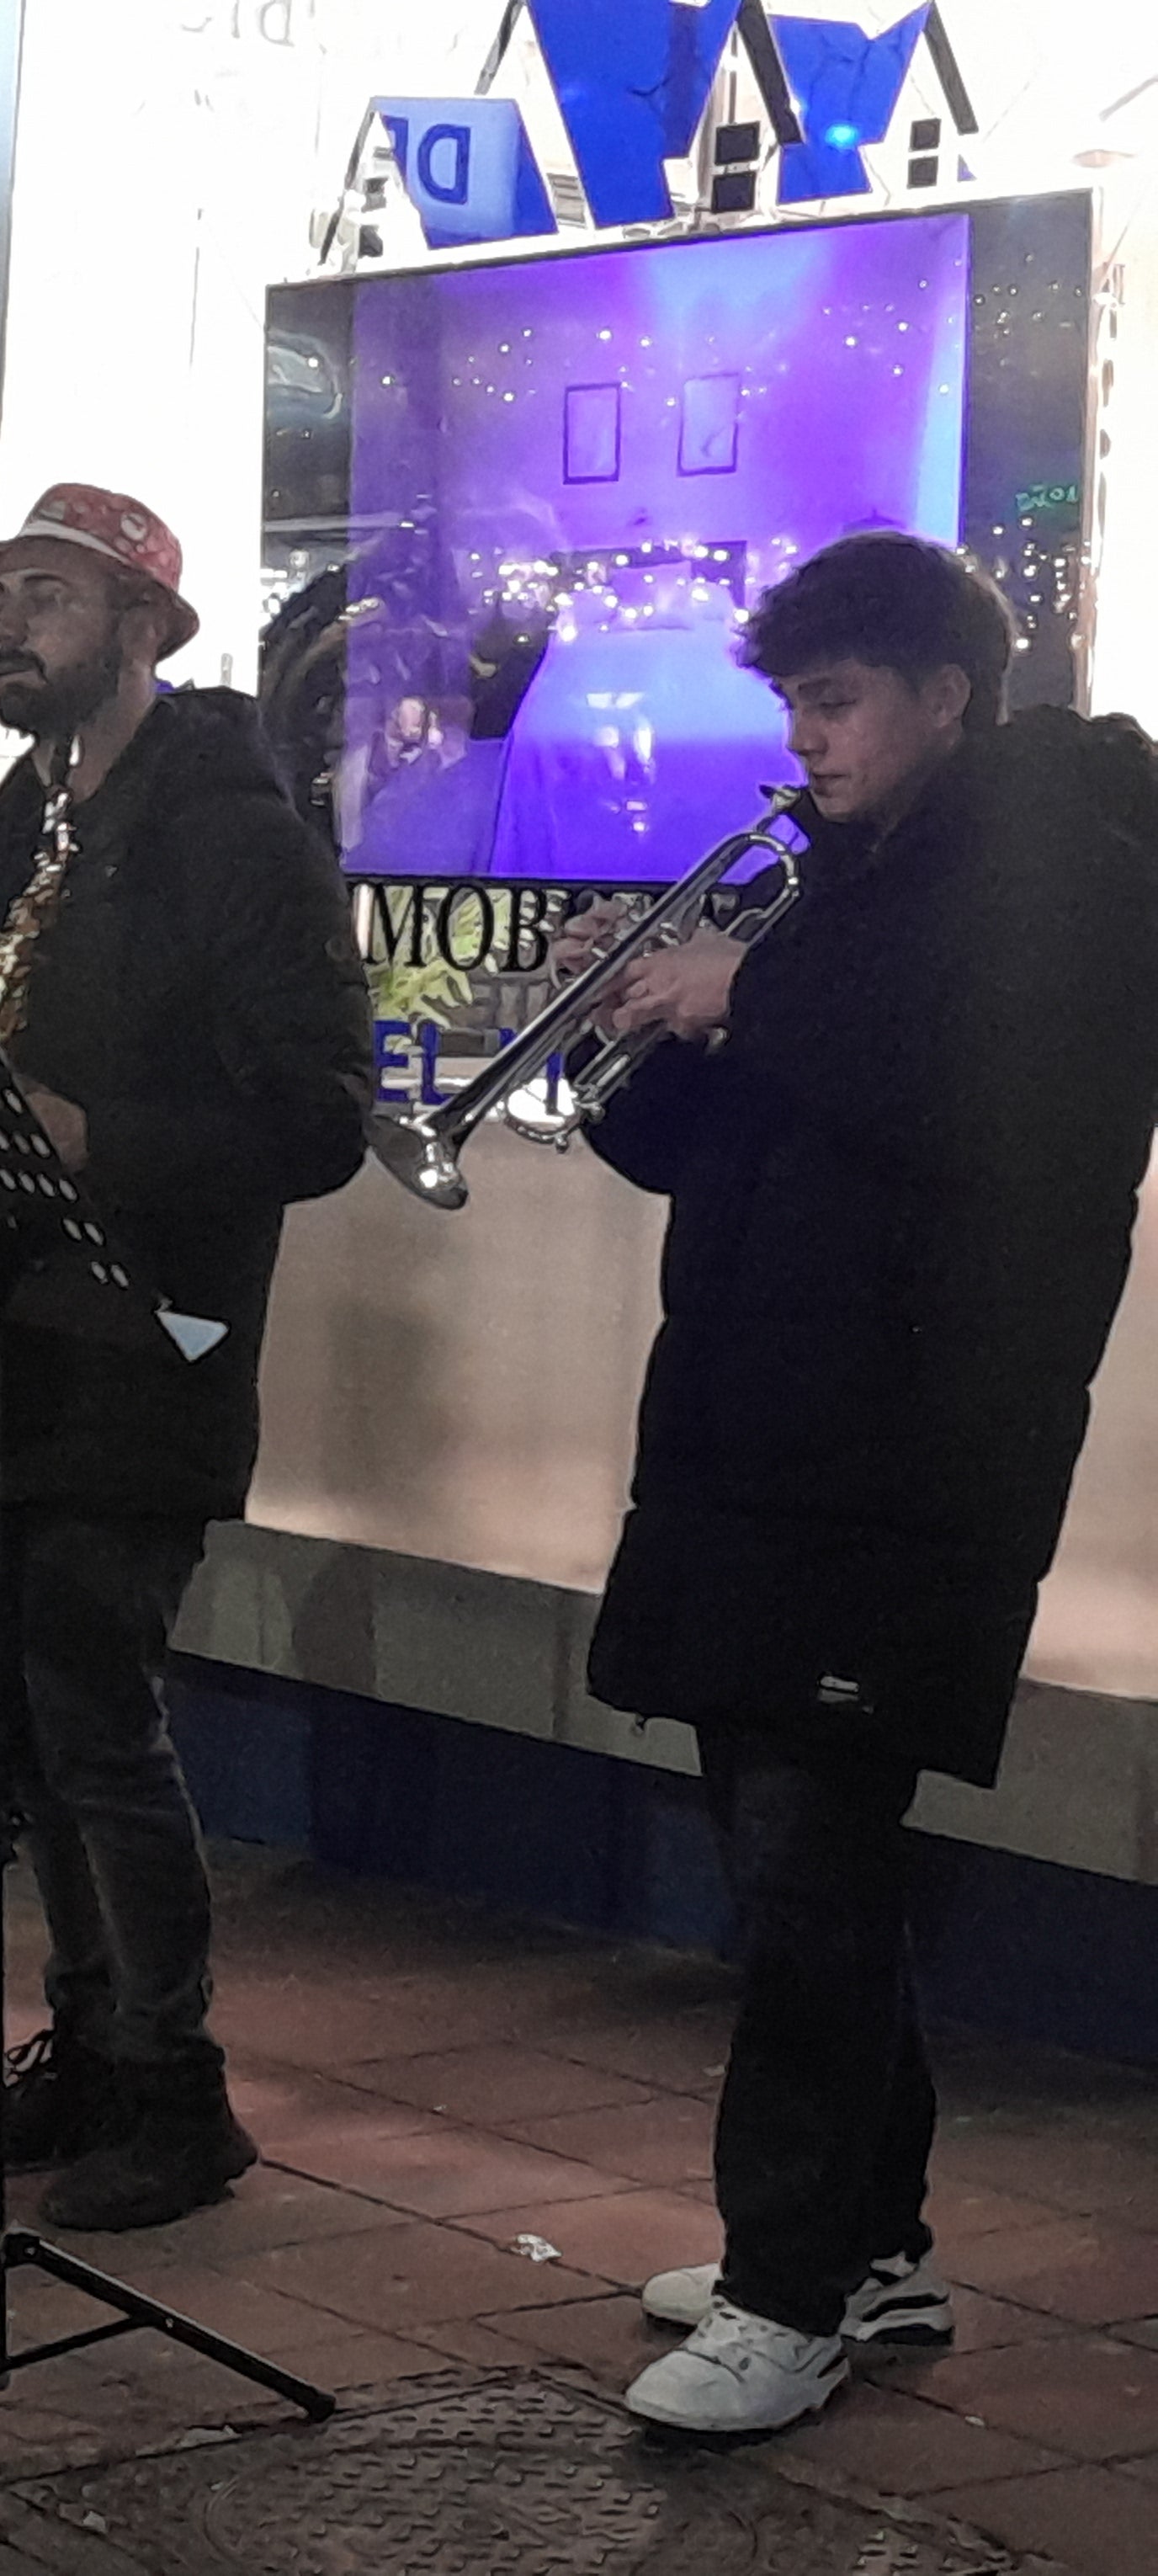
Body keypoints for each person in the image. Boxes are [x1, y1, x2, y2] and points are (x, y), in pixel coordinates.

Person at [575, 535, 1158, 2435]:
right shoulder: (851, 882)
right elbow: (721, 1145)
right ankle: (871, 2248)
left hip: (906, 1458)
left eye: (836, 702)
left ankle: (788, 2293)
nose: (806, 740)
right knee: (799, 1859)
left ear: (946, 700)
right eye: (794, 702)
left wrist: (749, 992)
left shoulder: (1063, 874)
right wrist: (638, 1021)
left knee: (811, 1875)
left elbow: (999, 1106)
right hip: (771, 1443)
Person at [0, 485, 373, 2229]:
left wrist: (98, 1134)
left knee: (101, 1733)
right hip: (1, 1340)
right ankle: (86, 2051)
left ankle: (180, 2090)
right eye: (3, 600)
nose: (15, 628)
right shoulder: (27, 815)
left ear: (147, 625)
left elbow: (323, 1117)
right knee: (20, 1734)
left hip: (141, 1346)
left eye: (50, 597)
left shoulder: (235, 835)